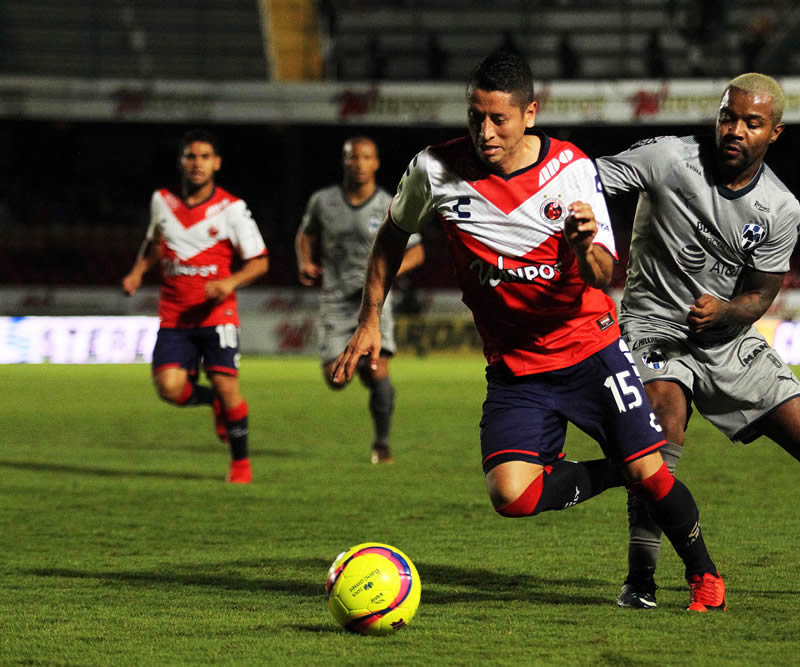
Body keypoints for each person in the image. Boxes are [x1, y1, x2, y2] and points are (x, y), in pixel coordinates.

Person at [331, 49, 727, 611]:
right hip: (516, 368)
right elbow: (394, 234)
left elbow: (602, 273)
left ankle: (705, 575)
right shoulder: (433, 169)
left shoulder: (572, 172)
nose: (484, 132)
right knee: (512, 496)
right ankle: (618, 468)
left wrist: (585, 244)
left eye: (499, 119)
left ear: (530, 113)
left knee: (653, 473)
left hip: (590, 351)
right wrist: (370, 316)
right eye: (475, 116)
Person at [595, 73, 800, 607]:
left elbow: (761, 295)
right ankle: (640, 576)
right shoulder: (668, 158)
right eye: (727, 117)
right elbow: (581, 181)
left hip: (726, 337)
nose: (735, 130)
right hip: (653, 325)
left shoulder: (780, 208)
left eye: (751, 123)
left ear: (774, 133)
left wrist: (725, 311)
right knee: (661, 432)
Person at [121, 129, 269, 484]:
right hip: (175, 314)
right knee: (169, 389)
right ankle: (213, 402)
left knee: (228, 386)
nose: (197, 163)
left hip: (217, 315)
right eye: (190, 156)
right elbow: (155, 241)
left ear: (216, 163)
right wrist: (138, 270)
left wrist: (229, 283)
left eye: (205, 156)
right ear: (181, 162)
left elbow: (260, 261)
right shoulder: (162, 201)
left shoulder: (231, 209)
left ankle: (240, 466)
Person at [295, 136, 424, 464]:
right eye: (353, 157)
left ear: (376, 163)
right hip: (336, 299)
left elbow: (417, 251)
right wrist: (305, 261)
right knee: (337, 378)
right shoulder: (322, 202)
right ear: (344, 162)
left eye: (366, 157)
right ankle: (364, 372)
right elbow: (305, 234)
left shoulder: (389, 203)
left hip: (375, 301)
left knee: (378, 371)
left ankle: (382, 445)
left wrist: (388, 273)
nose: (359, 164)